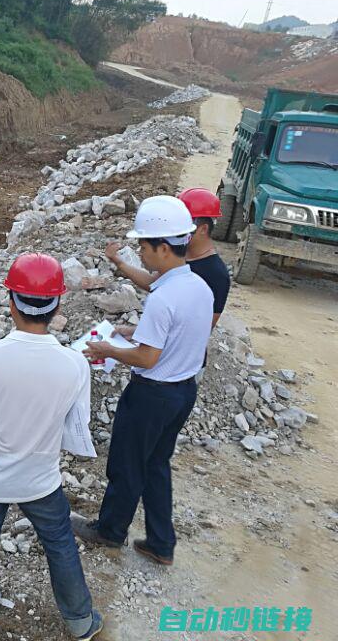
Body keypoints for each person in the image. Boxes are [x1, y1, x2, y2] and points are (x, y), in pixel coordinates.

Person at [0, 253, 104, 641]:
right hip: (40, 479)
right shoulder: (74, 363)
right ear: (57, 306)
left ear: (11, 303)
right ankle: (80, 622)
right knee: (59, 544)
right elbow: (76, 428)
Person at [74, 196, 214, 567]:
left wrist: (110, 348)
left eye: (144, 246)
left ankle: (109, 532)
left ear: (164, 248)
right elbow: (175, 335)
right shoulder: (198, 287)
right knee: (155, 464)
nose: (141, 252)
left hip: (152, 395)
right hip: (183, 393)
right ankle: (160, 543)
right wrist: (133, 330)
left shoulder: (164, 297)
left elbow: (148, 357)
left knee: (126, 464)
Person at [106, 188, 230, 331]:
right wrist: (118, 261)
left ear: (203, 229)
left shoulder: (216, 274)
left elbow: (200, 330)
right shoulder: (181, 254)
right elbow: (154, 282)